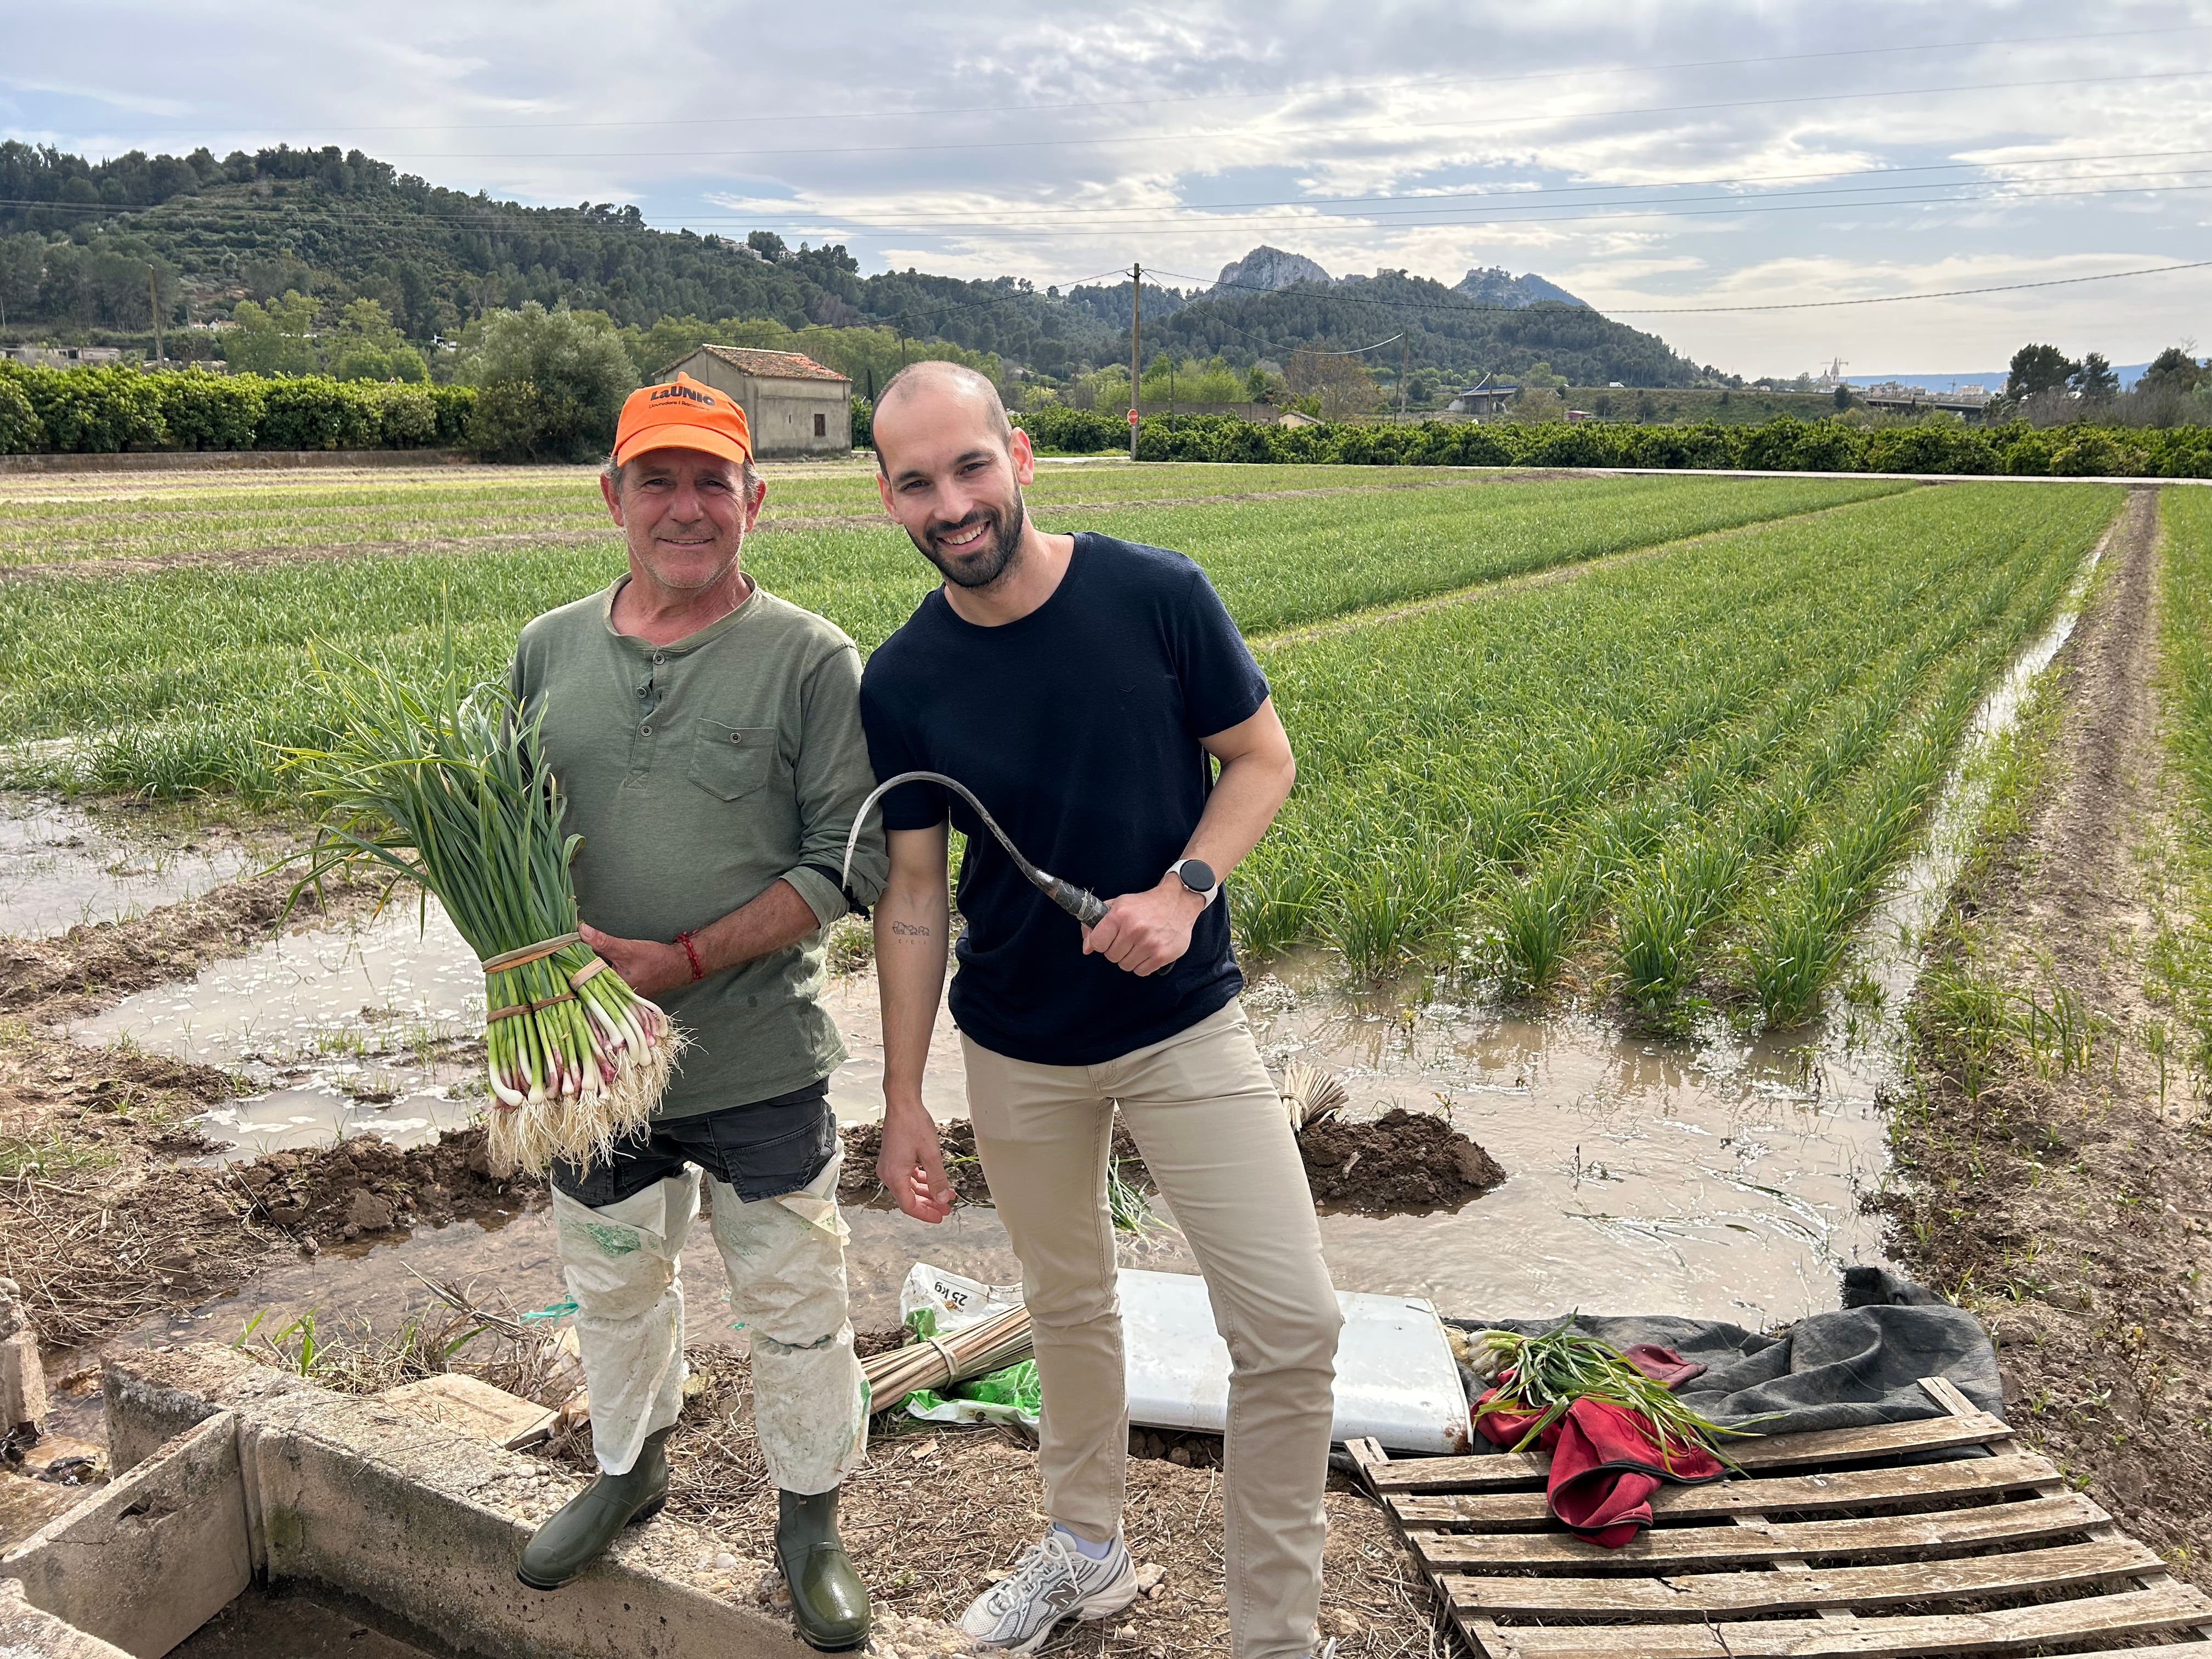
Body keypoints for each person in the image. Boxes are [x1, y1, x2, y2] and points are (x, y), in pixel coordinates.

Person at [859, 362, 1342, 1659]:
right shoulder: (904, 679)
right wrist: (903, 1101)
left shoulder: (1156, 595)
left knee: (1292, 1329)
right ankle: (1088, 1549)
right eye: (918, 482)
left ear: (1019, 455)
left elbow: (1262, 758)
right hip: (1016, 1045)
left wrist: (1184, 892)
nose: (952, 502)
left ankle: (1274, 1640)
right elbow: (914, 897)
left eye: (970, 466)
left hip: (1185, 1024)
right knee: (1068, 1303)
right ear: (889, 497)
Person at [506, 373, 883, 1654]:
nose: (684, 508)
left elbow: (848, 860)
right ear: (611, 497)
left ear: (755, 501)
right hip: (588, 1059)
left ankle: (811, 1520)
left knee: (793, 1297)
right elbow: (501, 833)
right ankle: (628, 1469)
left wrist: (684, 958)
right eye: (655, 481)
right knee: (611, 1284)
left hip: (757, 1056)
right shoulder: (549, 648)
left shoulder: (810, 657)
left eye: (710, 482)